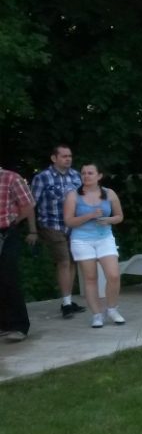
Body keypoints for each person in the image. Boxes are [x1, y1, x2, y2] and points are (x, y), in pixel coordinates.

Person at [63, 164, 125, 328]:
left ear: (99, 176)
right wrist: (89, 215)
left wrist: (108, 220)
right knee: (90, 279)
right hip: (82, 240)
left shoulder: (109, 193)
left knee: (113, 275)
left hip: (104, 238)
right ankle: (97, 315)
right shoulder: (73, 195)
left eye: (90, 173)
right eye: (83, 173)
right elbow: (68, 221)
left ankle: (112, 309)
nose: (86, 176)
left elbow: (119, 216)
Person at [30, 144, 87, 318]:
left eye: (70, 156)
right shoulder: (42, 178)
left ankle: (67, 301)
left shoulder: (77, 176)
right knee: (63, 261)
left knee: (72, 262)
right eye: (64, 156)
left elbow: (84, 201)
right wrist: (33, 230)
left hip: (74, 225)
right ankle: (67, 303)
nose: (68, 159)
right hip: (52, 224)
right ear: (54, 158)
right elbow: (31, 204)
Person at [0, 165, 36, 342]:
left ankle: (19, 326)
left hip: (6, 233)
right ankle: (4, 324)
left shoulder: (11, 178)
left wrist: (15, 221)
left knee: (9, 277)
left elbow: (29, 205)